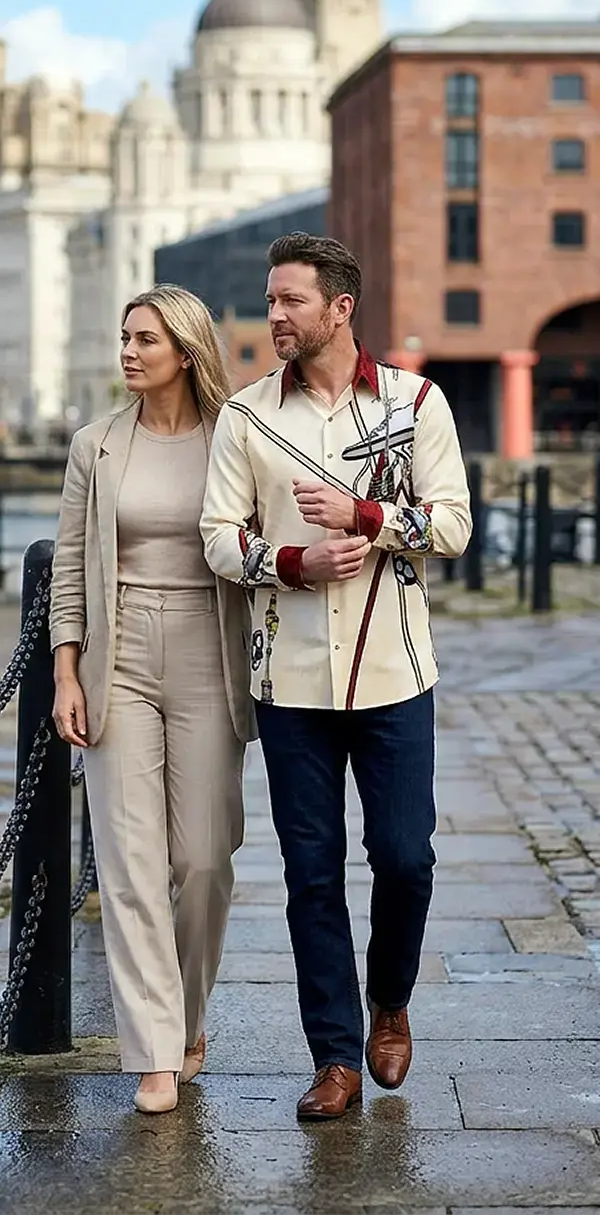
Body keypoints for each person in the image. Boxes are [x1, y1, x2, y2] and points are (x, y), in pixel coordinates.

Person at [200, 233, 471, 1121]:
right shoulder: (246, 419)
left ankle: (389, 1001)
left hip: (395, 673)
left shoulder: (415, 402)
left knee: (405, 860)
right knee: (310, 875)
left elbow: (454, 525)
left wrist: (370, 515)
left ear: (339, 308)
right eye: (272, 301)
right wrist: (293, 561)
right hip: (290, 688)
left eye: (289, 301)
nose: (274, 315)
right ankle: (336, 1058)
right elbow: (216, 537)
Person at [50, 285, 254, 1115]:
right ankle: (154, 1053)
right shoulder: (95, 447)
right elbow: (69, 567)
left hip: (210, 651)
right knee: (130, 865)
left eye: (145, 340)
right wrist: (68, 671)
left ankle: (187, 1018)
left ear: (186, 350)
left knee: (203, 860)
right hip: (118, 656)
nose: (128, 352)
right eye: (124, 337)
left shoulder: (235, 438)